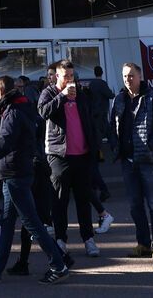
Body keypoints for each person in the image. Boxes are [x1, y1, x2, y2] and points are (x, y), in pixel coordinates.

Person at [0, 74, 69, 285]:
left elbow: (5, 144)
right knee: (7, 223)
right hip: (15, 172)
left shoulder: (13, 112)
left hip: (15, 173)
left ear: (2, 92)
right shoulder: (21, 107)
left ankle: (58, 265)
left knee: (32, 223)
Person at [35, 61, 101, 257]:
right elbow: (43, 112)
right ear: (57, 76)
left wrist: (94, 145)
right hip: (58, 155)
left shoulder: (80, 94)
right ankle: (61, 239)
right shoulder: (49, 93)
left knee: (83, 199)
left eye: (72, 76)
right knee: (59, 200)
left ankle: (88, 239)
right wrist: (62, 97)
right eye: (66, 76)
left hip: (82, 154)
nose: (70, 80)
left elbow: (90, 118)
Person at [108, 62, 153, 259]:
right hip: (128, 160)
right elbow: (112, 127)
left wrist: (151, 144)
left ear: (139, 76)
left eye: (131, 76)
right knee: (134, 205)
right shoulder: (119, 99)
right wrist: (116, 146)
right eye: (124, 76)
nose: (127, 80)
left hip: (148, 159)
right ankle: (142, 243)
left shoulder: (151, 98)